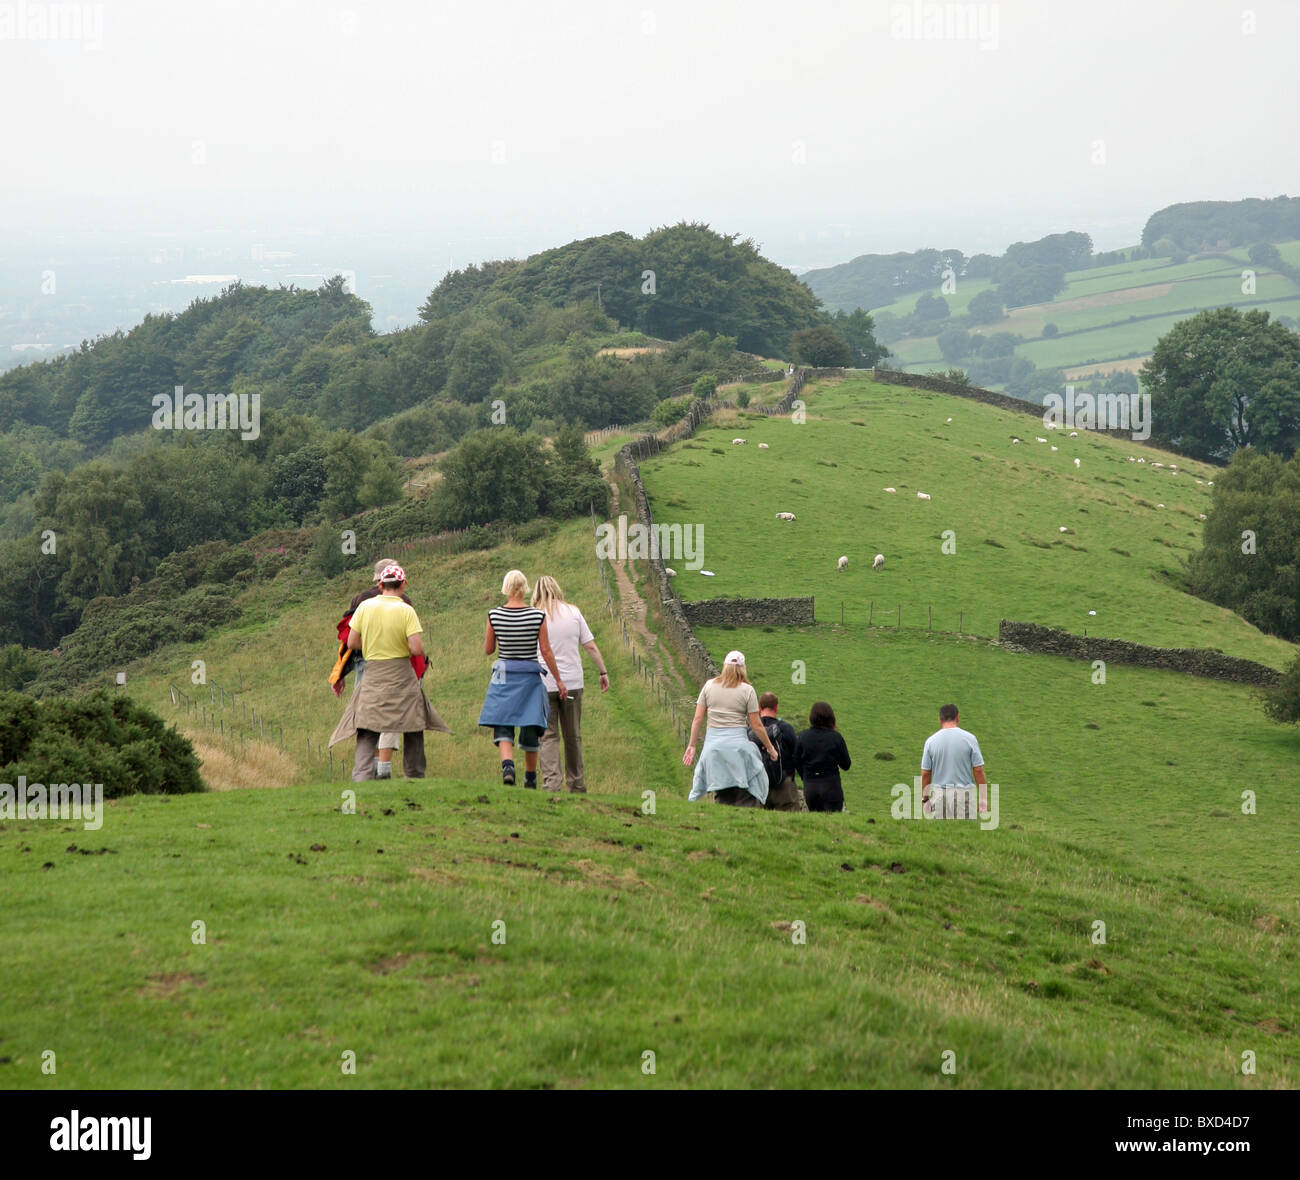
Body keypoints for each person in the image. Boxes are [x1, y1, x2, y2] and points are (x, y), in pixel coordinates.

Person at [328, 563, 450, 780]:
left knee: (367, 727)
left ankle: (362, 776)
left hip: (373, 673)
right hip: (401, 674)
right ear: (403, 584)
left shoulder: (365, 607)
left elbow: (353, 641)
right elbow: (416, 648)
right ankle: (414, 775)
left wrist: (374, 644)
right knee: (413, 723)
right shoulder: (406, 609)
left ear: (381, 584)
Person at [478, 570, 567, 788]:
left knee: (503, 722)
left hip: (503, 675)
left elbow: (489, 650)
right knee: (530, 723)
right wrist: (558, 680)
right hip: (529, 676)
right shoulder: (537, 616)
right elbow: (545, 651)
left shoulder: (494, 615)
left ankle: (508, 766)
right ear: (525, 588)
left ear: (506, 588)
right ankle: (530, 778)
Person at [328, 557, 410, 778]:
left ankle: (370, 768)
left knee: (367, 715)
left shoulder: (360, 600)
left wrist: (341, 672)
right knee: (392, 713)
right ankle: (384, 767)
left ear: (378, 579)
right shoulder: (404, 601)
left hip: (365, 664)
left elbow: (348, 641)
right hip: (396, 665)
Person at [531, 575, 609, 794]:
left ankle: (552, 784)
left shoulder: (534, 615)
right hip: (573, 682)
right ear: (557, 588)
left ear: (536, 592)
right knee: (572, 735)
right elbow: (590, 646)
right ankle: (577, 784)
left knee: (548, 735)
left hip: (544, 683)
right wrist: (603, 671)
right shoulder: (573, 612)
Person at [683, 651, 779, 807]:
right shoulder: (747, 690)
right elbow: (756, 725)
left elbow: (698, 719)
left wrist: (692, 745)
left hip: (713, 749)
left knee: (721, 792)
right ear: (743, 668)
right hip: (738, 748)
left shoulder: (709, 686)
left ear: (725, 666)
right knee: (751, 779)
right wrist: (770, 749)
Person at [920, 703, 987, 820]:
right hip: (964, 795)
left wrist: (925, 799)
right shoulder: (970, 738)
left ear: (940, 720)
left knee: (940, 835)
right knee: (966, 835)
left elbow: (926, 773)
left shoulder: (931, 741)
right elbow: (978, 770)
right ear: (957, 717)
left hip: (940, 796)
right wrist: (983, 798)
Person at [750, 692, 804, 812]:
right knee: (790, 824)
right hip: (784, 785)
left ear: (759, 708)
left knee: (757, 824)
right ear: (776, 707)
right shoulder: (786, 729)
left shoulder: (751, 730)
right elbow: (797, 756)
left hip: (758, 785)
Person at [795, 701, 851, 812]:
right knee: (834, 821)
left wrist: (805, 776)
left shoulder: (803, 736)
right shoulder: (836, 737)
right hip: (831, 785)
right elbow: (846, 765)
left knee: (816, 821)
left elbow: (796, 761)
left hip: (810, 786)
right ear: (831, 717)